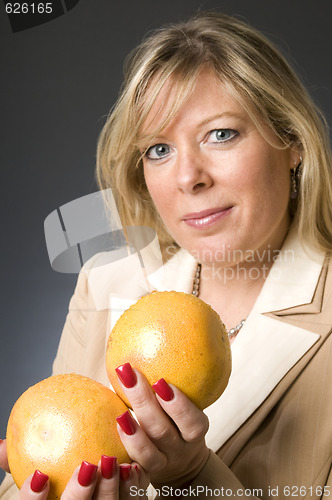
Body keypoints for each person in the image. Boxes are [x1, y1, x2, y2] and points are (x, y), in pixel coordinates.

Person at [1, 10, 332, 500]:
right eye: (159, 149)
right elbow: (32, 477)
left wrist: (191, 475)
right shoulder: (104, 282)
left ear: (292, 143)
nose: (187, 177)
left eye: (221, 134)